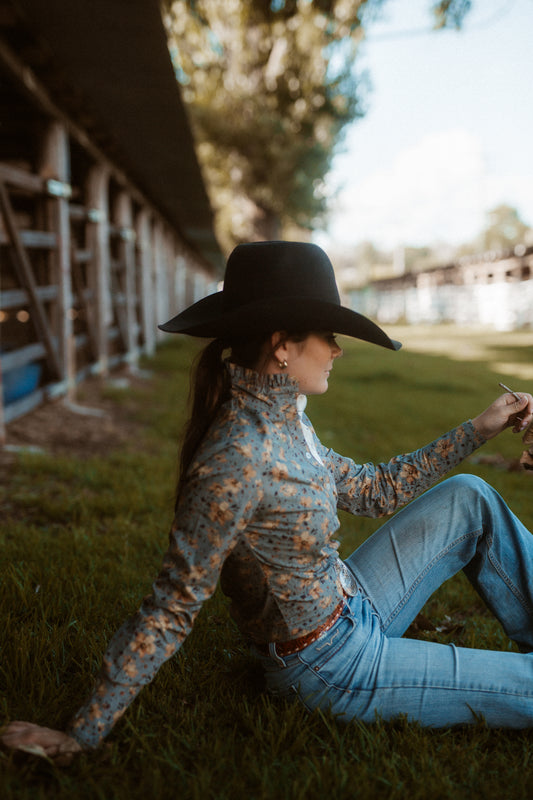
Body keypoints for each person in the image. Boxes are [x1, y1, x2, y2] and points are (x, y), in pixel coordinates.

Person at [3, 240, 533, 765]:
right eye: (328, 336)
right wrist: (83, 733)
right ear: (283, 345)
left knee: (471, 496)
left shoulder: (287, 417)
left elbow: (374, 490)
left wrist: (479, 429)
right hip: (333, 666)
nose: (337, 349)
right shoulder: (237, 457)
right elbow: (171, 605)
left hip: (355, 603)